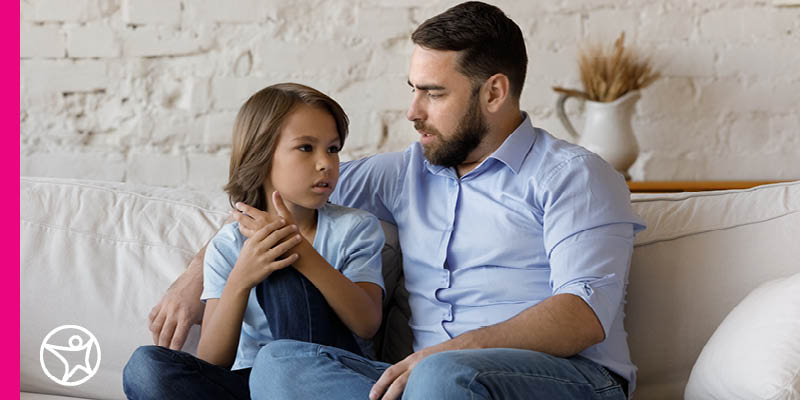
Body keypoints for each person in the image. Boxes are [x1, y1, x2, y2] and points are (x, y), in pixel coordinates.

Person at [149, 2, 646, 399]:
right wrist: (197, 274)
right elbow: (279, 192)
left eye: (433, 93)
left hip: (568, 379)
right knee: (280, 367)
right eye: (413, 90)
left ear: (494, 92)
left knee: (444, 377)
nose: (412, 111)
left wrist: (443, 354)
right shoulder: (405, 171)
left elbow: (583, 314)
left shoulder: (575, 176)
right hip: (420, 382)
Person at [123, 83, 386, 399]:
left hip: (323, 375)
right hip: (250, 383)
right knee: (145, 367)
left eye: (332, 149)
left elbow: (367, 323)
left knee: (280, 268)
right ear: (261, 154)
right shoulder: (228, 245)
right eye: (306, 148)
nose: (325, 163)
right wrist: (240, 280)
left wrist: (298, 250)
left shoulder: (355, 227)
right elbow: (212, 361)